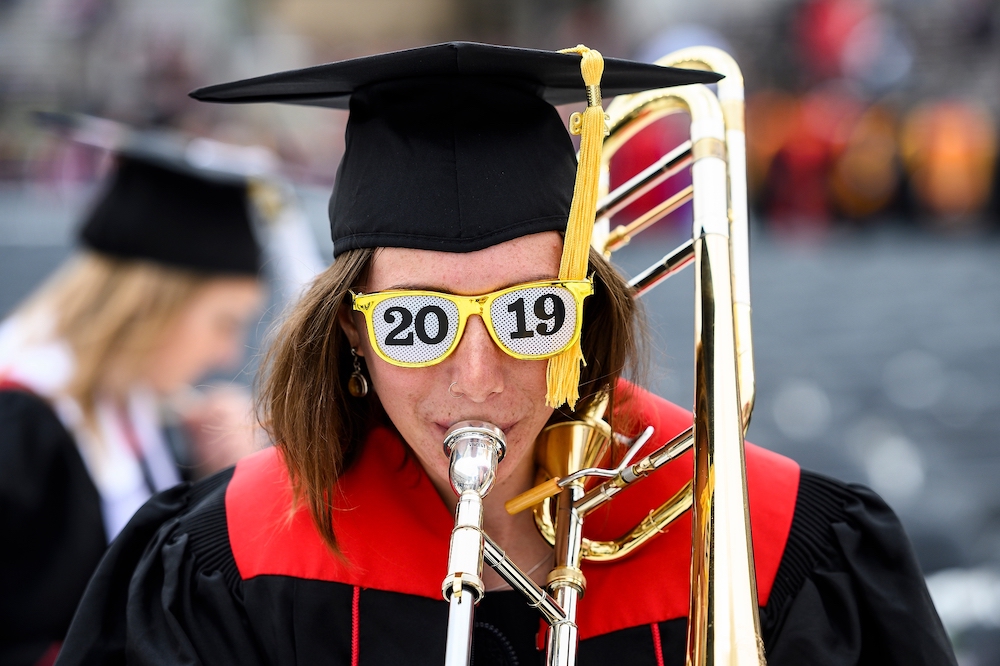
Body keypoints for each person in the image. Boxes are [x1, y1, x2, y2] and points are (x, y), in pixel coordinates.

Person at [56, 42, 956, 666]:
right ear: (351, 335)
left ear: (587, 318)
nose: (478, 380)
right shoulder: (229, 561)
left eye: (531, 314)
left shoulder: (782, 540)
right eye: (418, 323)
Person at [0, 142, 265, 666]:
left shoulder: (130, 408)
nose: (228, 352)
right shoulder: (21, 428)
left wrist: (229, 482)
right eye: (223, 322)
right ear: (150, 307)